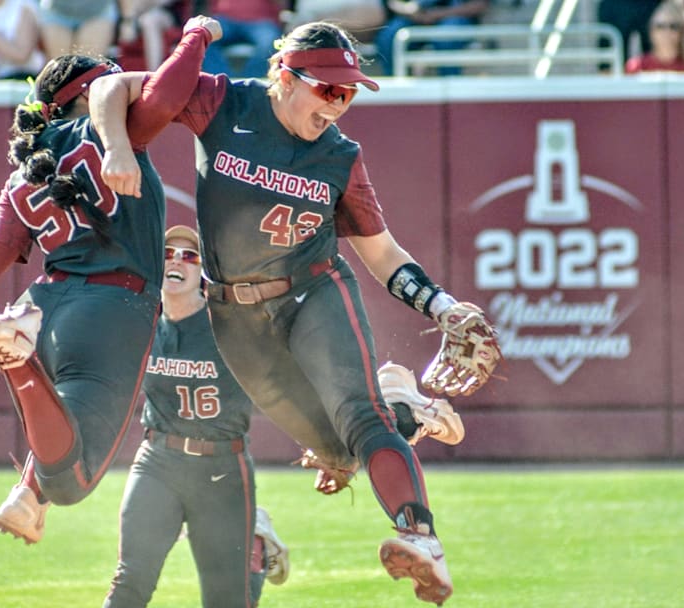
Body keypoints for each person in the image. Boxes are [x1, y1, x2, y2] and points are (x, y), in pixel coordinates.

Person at [91, 19, 499, 606]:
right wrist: (116, 146)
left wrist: (440, 304)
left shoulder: (339, 156)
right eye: (328, 89)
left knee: (361, 421)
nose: (338, 103)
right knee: (337, 452)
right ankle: (406, 405)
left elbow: (381, 254)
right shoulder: (223, 100)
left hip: (312, 292)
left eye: (349, 92)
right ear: (285, 76)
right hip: (234, 312)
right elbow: (114, 88)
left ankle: (421, 537)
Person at [0, 17, 221, 547]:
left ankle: (26, 494)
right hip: (113, 308)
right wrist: (196, 35)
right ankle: (18, 365)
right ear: (88, 96)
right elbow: (171, 92)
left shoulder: (23, 176)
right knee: (76, 478)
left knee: (63, 425)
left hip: (48, 307)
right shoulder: (113, 132)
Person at [103, 224, 289, 607]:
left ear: (203, 274)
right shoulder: (141, 323)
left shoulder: (230, 326)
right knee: (131, 580)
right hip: (158, 461)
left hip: (222, 465)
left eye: (190, 256)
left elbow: (286, 377)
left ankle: (253, 557)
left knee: (227, 600)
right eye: (169, 253)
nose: (176, 261)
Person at [374, 0, 489, 76]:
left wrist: (437, 14)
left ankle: (451, 95)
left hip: (456, 16)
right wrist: (409, 11)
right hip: (413, 17)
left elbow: (479, 5)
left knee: (445, 38)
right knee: (389, 37)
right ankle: (399, 95)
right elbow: (393, 2)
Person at [200, 0, 283, 78]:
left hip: (261, 21)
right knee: (204, 36)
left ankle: (251, 84)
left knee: (269, 42)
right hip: (225, 19)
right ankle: (222, 84)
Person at [625, 0, 684, 72]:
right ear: (651, 31)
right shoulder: (637, 67)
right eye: (660, 26)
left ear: (682, 31)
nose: (666, 32)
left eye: (673, 26)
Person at [36, 0, 118, 62]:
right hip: (56, 10)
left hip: (98, 10)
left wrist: (127, 21)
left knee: (88, 67)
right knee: (60, 68)